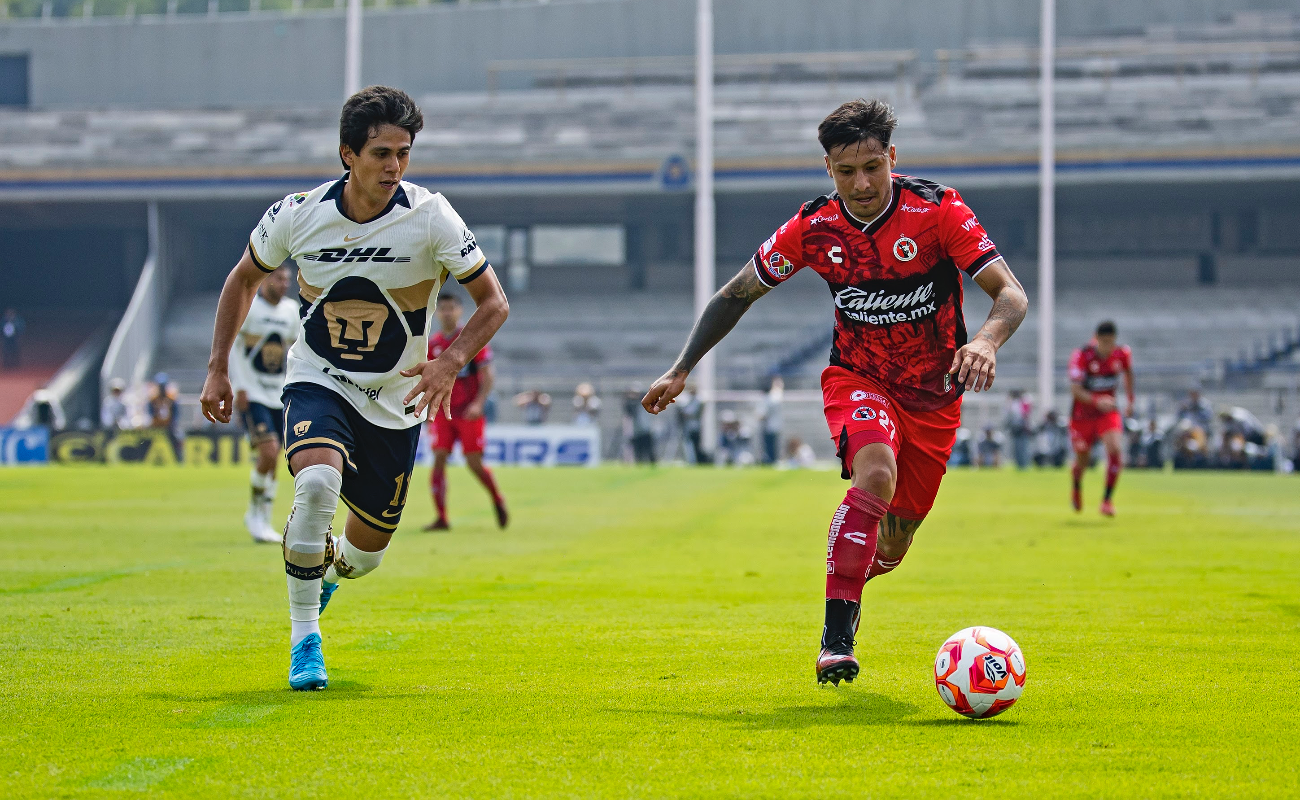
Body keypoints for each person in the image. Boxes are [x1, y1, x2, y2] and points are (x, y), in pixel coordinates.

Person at [641, 98, 1028, 686]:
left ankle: (853, 563)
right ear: (828, 169)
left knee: (892, 547)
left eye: (872, 166)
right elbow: (734, 294)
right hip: (857, 376)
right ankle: (836, 640)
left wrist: (987, 342)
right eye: (846, 172)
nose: (862, 183)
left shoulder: (938, 211)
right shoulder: (813, 227)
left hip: (934, 395)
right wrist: (680, 367)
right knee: (875, 474)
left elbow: (1011, 294)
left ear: (891, 157)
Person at [199, 86, 509, 691]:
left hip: (397, 401)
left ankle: (329, 574)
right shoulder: (297, 213)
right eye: (381, 153)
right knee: (316, 484)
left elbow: (493, 302)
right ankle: (304, 639)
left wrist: (450, 363)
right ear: (348, 154)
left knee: (365, 556)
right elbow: (242, 279)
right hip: (321, 379)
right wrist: (216, 367)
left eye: (404, 152)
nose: (395, 165)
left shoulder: (432, 217)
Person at [424, 293, 508, 531]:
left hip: (468, 411)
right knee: (439, 457)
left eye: (451, 308)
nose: (447, 313)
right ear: (437, 313)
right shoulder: (433, 345)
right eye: (443, 309)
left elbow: (487, 375)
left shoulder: (470, 340)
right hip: (443, 411)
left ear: (460, 311)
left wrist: (479, 403)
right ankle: (441, 517)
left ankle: (496, 498)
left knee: (473, 463)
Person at [229, 264, 300, 543]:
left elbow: (295, 349)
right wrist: (240, 386)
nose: (284, 284)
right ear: (266, 279)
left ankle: (262, 516)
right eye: (279, 278)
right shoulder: (250, 307)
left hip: (280, 393)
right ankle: (256, 513)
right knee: (268, 452)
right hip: (254, 392)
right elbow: (234, 345)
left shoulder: (292, 310)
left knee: (275, 458)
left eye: (287, 280)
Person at [1067, 321, 1133, 517]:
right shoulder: (1081, 356)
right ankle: (1077, 485)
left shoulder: (1122, 354)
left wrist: (1130, 400)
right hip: (1082, 415)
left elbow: (1129, 374)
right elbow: (1075, 390)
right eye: (1104, 341)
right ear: (1096, 339)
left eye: (1111, 342)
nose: (1107, 346)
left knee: (1115, 448)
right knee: (1083, 461)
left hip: (1107, 412)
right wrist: (1097, 400)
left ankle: (1107, 501)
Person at [1004, 389, 1033, 469]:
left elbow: (1026, 413)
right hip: (1015, 428)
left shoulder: (1024, 401)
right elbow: (1008, 413)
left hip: (1023, 428)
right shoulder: (1012, 403)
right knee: (1016, 448)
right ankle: (1019, 464)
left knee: (1023, 447)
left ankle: (1024, 464)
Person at [760, 375, 784, 465]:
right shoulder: (776, 397)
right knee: (774, 445)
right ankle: (774, 460)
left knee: (770, 446)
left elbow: (763, 414)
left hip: (769, 426)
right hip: (776, 425)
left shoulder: (769, 399)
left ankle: (771, 461)